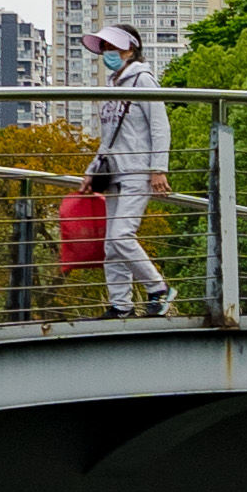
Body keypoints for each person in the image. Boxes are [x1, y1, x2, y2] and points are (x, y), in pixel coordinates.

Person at [82, 20, 171, 318]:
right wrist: (92, 170)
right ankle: (120, 305)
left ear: (129, 48)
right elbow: (108, 135)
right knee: (111, 245)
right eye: (103, 46)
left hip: (138, 170)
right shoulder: (111, 85)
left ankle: (158, 288)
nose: (106, 51)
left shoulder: (143, 80)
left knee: (122, 236)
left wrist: (158, 167)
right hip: (114, 173)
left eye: (112, 45)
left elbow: (160, 125)